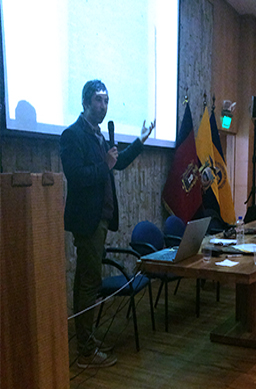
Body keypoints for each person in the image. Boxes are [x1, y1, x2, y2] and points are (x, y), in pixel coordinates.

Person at [62, 79, 156, 368]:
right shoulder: (72, 136)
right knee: (88, 282)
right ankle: (86, 352)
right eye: (98, 100)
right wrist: (105, 164)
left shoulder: (98, 135)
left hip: (101, 220)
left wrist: (140, 141)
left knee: (88, 280)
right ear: (85, 102)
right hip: (87, 221)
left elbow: (118, 163)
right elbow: (77, 176)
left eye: (106, 101)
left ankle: (87, 340)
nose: (103, 106)